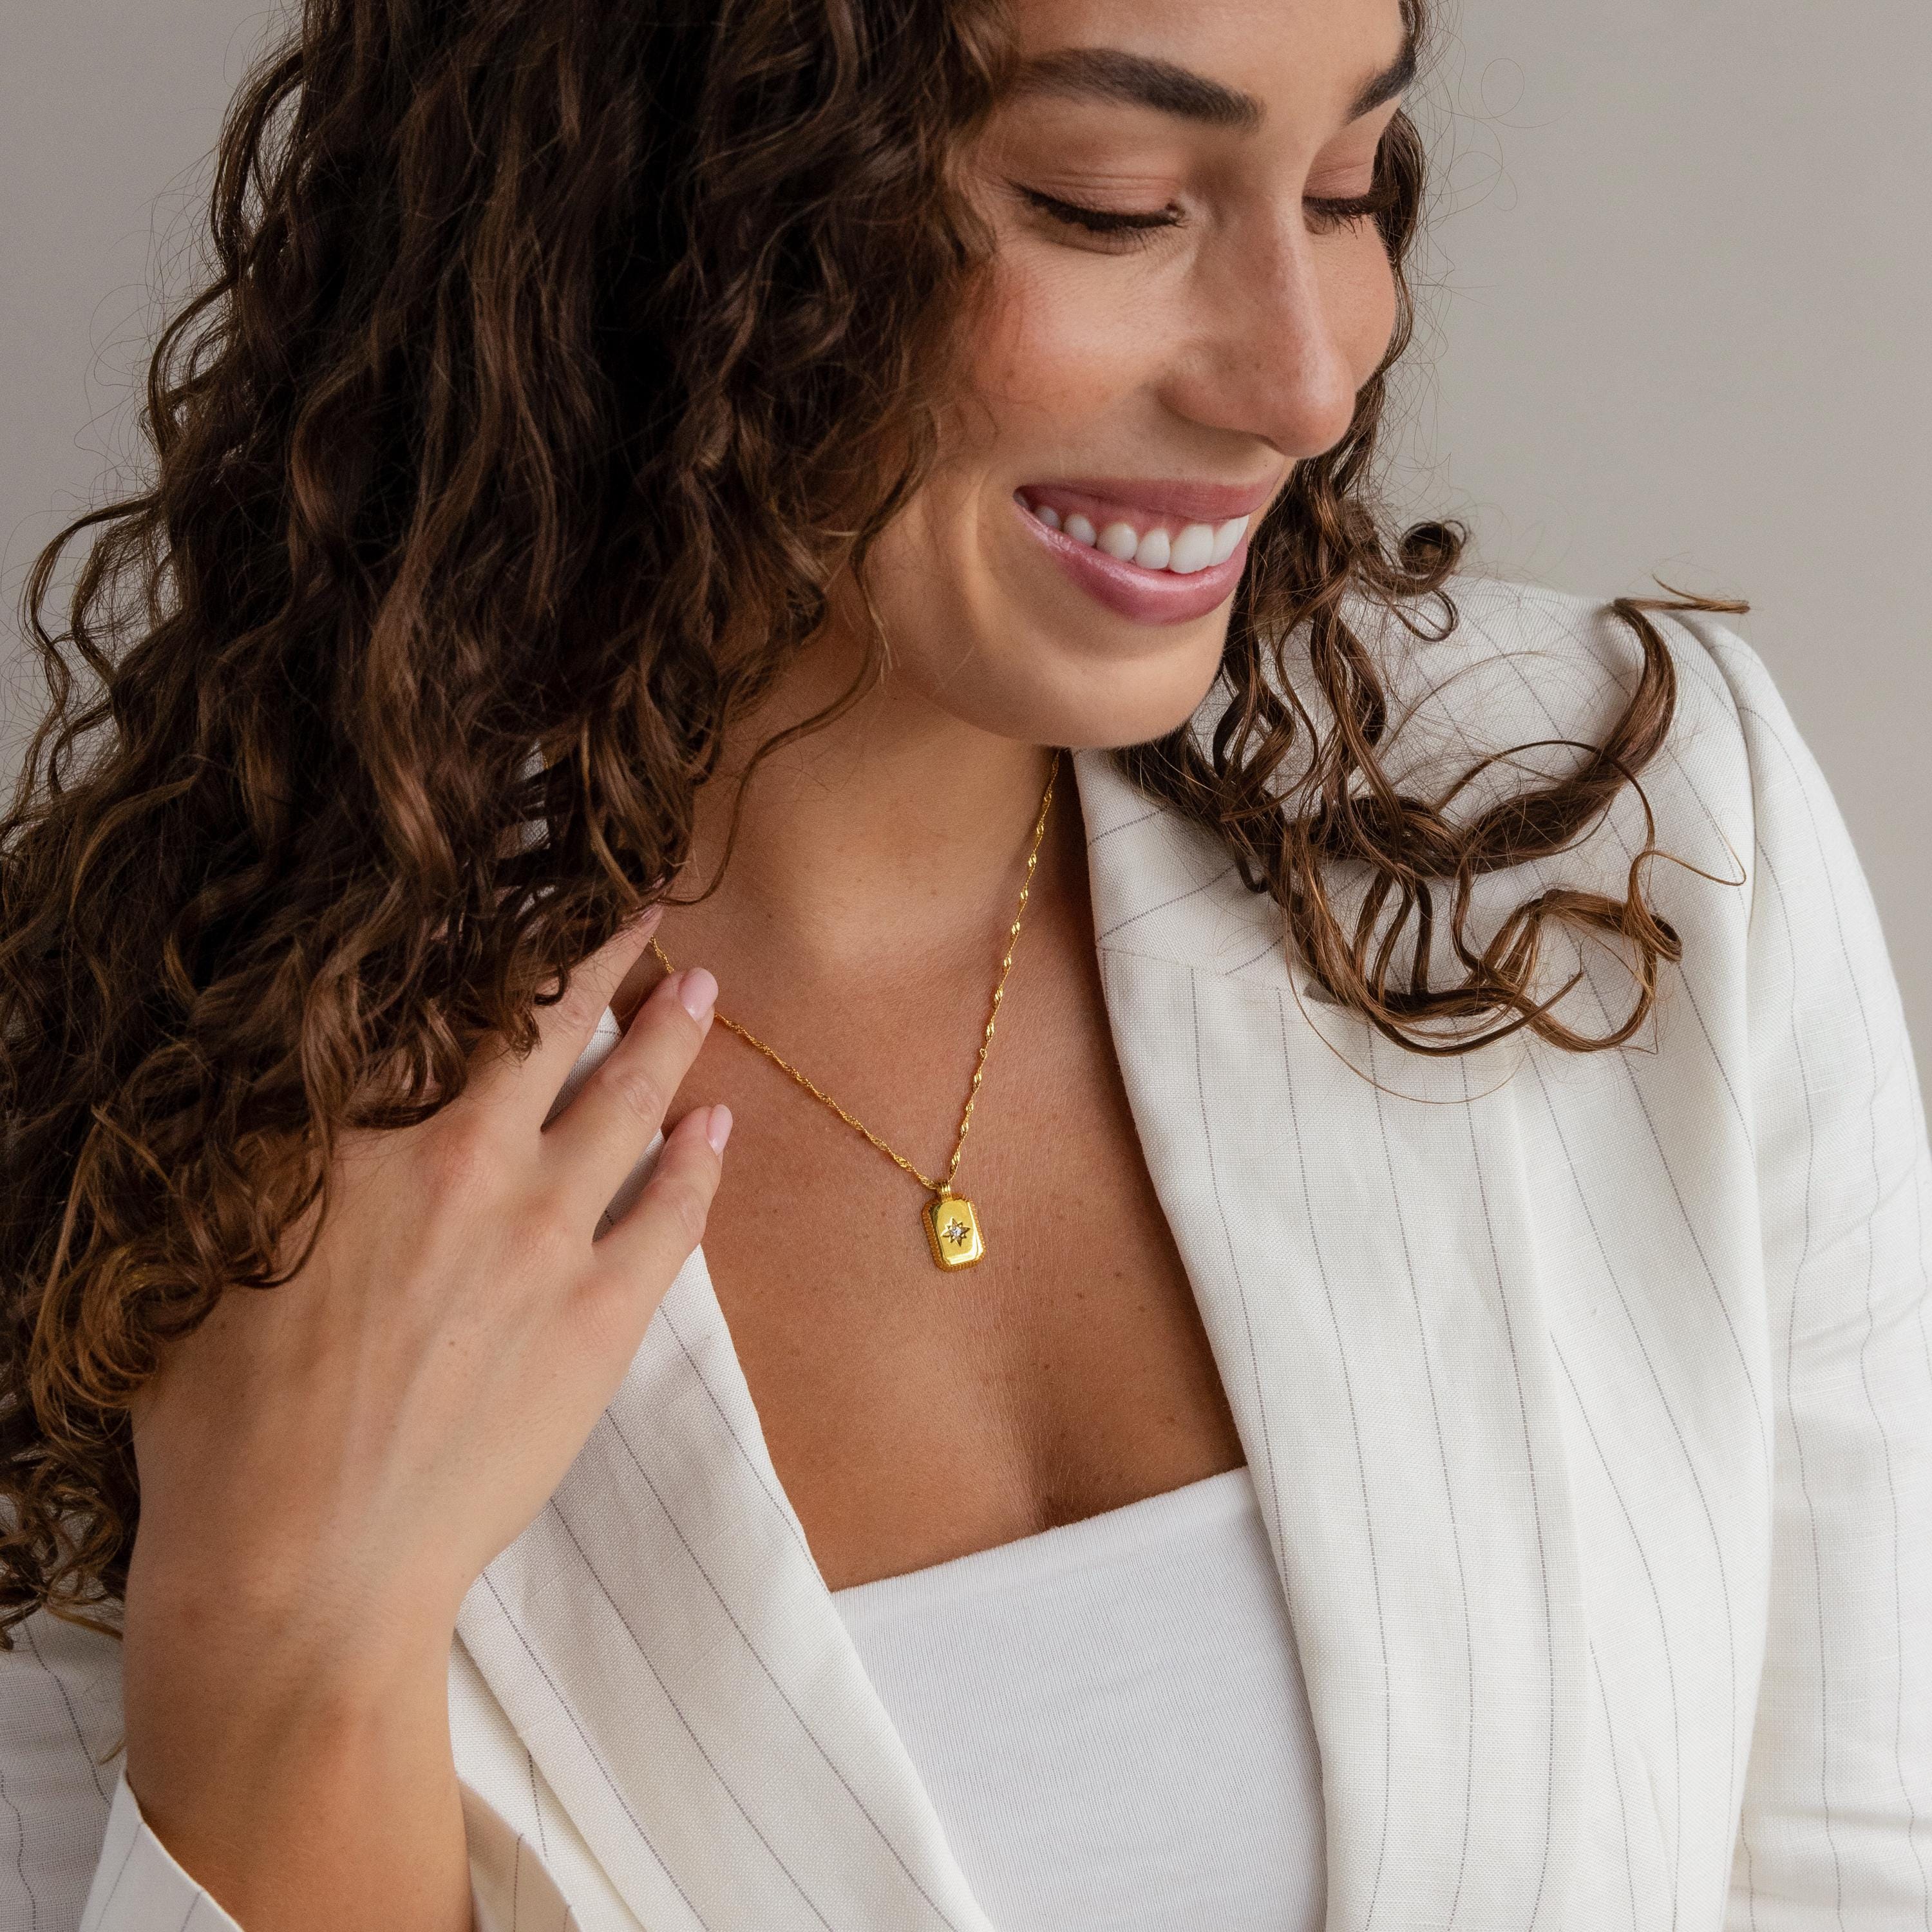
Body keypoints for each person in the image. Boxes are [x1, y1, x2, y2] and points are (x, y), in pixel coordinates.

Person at [3, 0, 1927, 1927]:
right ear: (648, 188)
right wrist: (272, 1648)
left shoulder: (1622, 838)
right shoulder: (156, 1126)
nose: (1307, 378)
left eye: (1346, 186)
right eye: (1110, 205)